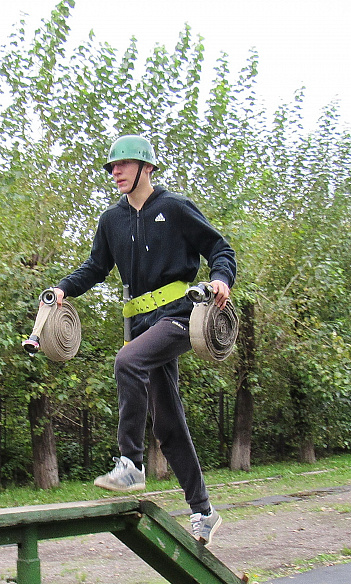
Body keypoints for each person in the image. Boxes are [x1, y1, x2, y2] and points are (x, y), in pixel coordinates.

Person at [49, 134, 236, 544]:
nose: (115, 172)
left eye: (124, 165)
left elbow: (219, 247)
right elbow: (95, 267)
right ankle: (204, 510)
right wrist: (63, 289)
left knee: (127, 361)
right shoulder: (111, 220)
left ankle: (130, 464)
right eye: (112, 167)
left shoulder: (175, 208)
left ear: (146, 168)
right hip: (142, 323)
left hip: (183, 315)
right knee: (168, 421)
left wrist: (221, 279)